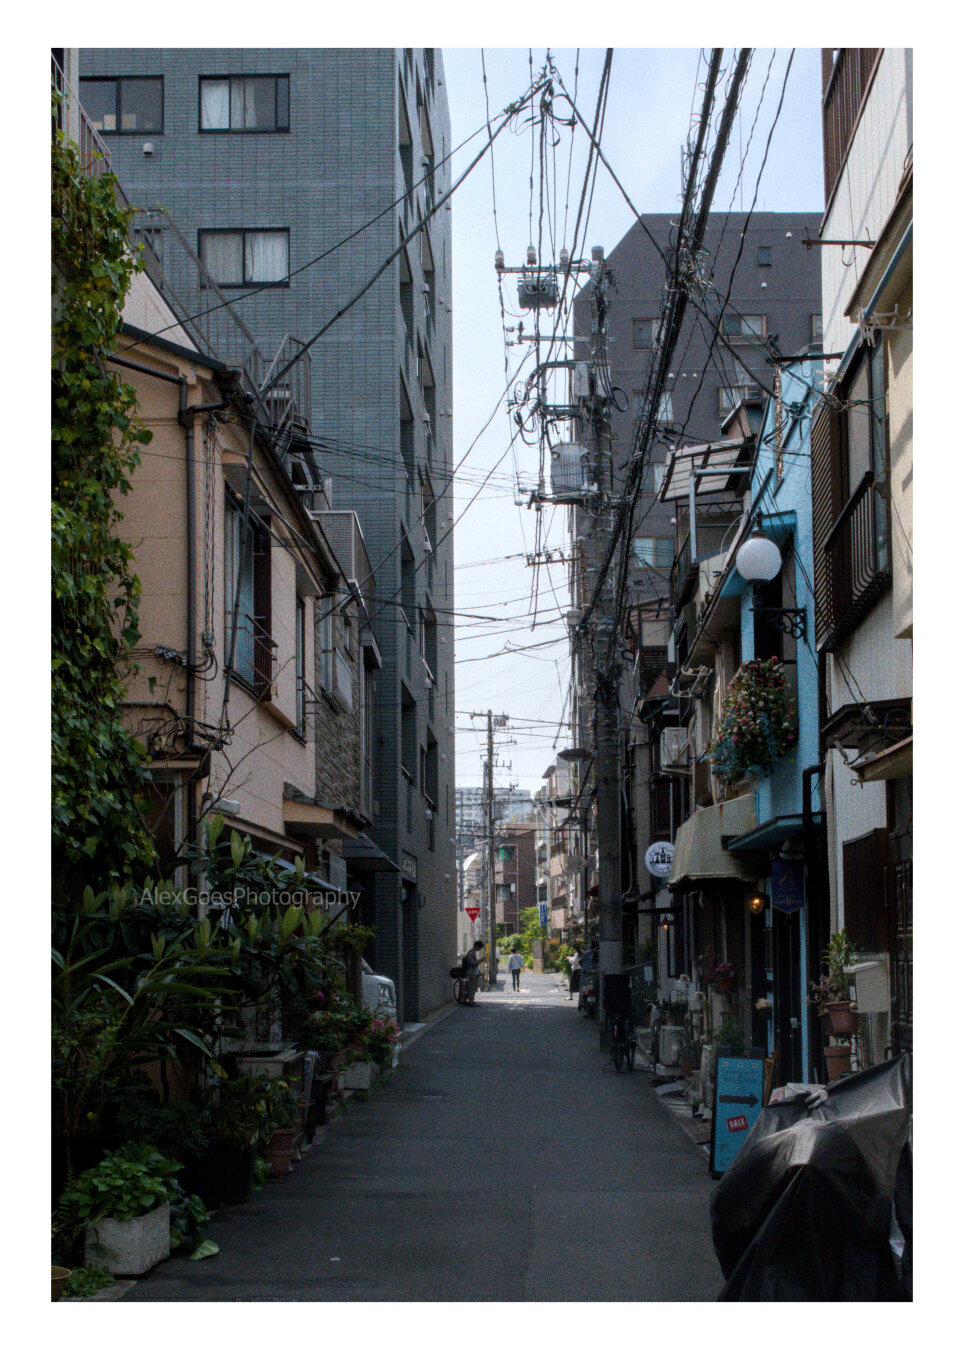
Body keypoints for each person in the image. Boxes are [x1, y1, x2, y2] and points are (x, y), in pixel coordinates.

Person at [461, 939, 485, 1006]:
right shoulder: (471, 953)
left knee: (474, 987)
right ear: (476, 946)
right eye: (479, 948)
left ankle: (471, 1000)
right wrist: (481, 960)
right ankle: (470, 1001)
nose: (479, 949)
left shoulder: (473, 952)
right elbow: (472, 963)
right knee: (472, 987)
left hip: (474, 972)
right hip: (471, 972)